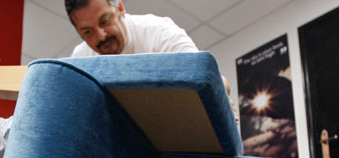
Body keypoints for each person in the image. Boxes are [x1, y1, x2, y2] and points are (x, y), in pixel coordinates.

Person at [66, 0, 240, 124]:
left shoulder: (160, 31)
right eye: (88, 32)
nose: (101, 36)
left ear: (120, 8)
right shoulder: (81, 60)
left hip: (175, 121)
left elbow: (210, 81)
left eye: (105, 21)